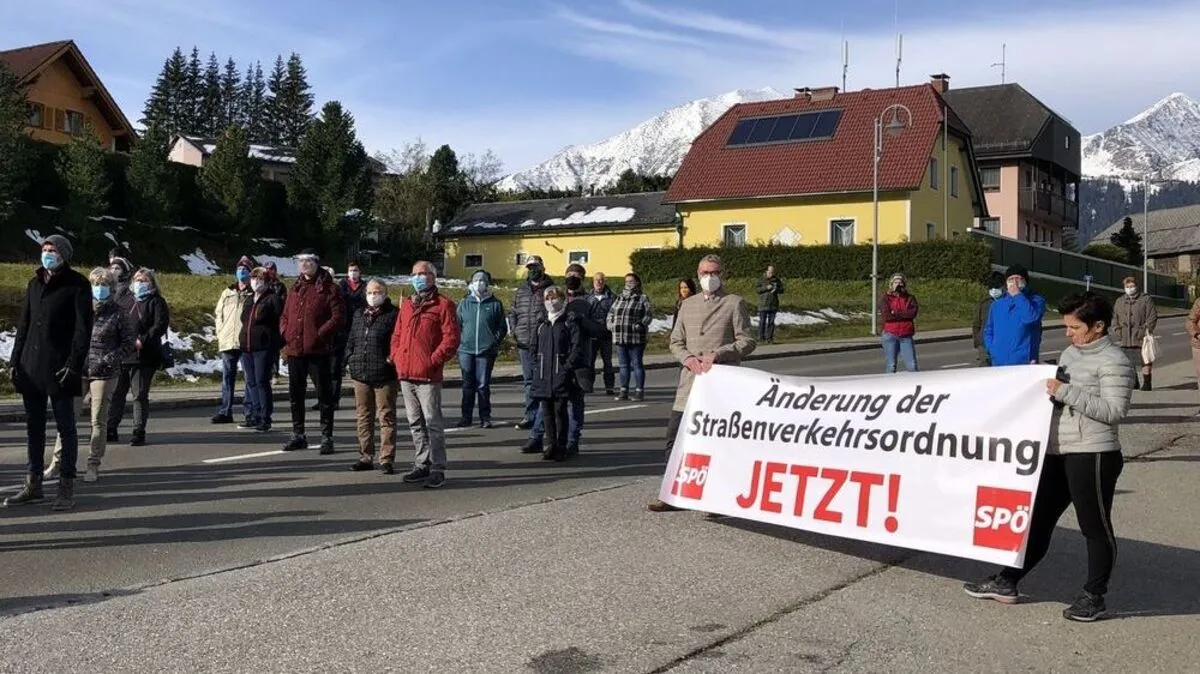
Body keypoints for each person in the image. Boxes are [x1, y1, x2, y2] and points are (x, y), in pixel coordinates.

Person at [964, 292, 1134, 623]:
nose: (1068, 333)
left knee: (1094, 528)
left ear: (1097, 327)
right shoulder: (1072, 352)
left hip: (1093, 453)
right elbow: (1063, 396)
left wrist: (1063, 391)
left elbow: (1115, 411)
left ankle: (1094, 596)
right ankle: (1008, 580)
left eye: (1074, 327)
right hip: (1058, 452)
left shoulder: (1114, 361)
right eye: (1066, 326)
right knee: (1036, 520)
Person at [649, 254, 756, 512]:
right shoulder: (688, 305)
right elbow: (675, 341)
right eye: (705, 273)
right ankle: (672, 491)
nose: (710, 277)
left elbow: (747, 341)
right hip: (689, 382)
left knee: (715, 441)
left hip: (719, 384)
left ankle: (715, 497)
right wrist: (687, 359)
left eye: (714, 272)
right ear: (698, 275)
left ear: (723, 275)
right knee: (675, 440)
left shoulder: (734, 303)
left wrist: (718, 355)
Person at [4, 235, 91, 510]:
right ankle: (33, 483)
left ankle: (66, 487)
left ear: (64, 254)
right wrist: (15, 361)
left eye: (52, 250)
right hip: (32, 365)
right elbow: (24, 325)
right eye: (44, 249)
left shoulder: (77, 284)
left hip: (61, 367)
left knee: (66, 428)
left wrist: (74, 364)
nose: (47, 253)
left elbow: (82, 330)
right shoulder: (34, 283)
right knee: (34, 428)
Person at [46, 267, 137, 484]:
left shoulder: (119, 313)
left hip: (104, 373)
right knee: (68, 418)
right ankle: (57, 463)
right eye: (96, 284)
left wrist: (110, 358)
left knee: (98, 420)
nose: (100, 289)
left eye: (104, 285)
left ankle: (93, 463)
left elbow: (128, 344)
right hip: (79, 369)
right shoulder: (81, 309)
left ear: (112, 288)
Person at [391, 261, 460, 489]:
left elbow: (451, 339)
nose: (418, 278)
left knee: (433, 424)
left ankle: (438, 468)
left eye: (423, 274)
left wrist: (433, 361)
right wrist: (397, 356)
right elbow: (397, 334)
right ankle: (422, 463)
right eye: (415, 274)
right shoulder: (408, 305)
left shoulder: (443, 305)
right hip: (406, 373)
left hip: (428, 375)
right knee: (414, 423)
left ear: (433, 277)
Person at [279, 249, 345, 454]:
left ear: (317, 263)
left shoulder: (329, 288)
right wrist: (286, 332)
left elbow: (339, 317)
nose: (304, 264)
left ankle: (327, 436)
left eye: (308, 261)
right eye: (300, 261)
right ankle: (298, 434)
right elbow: (285, 315)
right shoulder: (295, 288)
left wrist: (320, 334)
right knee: (295, 395)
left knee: (324, 396)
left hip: (318, 351)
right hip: (295, 350)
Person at [107, 268, 170, 447]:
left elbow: (160, 325)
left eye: (143, 280)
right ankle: (111, 427)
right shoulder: (125, 299)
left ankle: (138, 430)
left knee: (139, 395)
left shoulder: (156, 302)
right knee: (117, 393)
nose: (139, 283)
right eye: (137, 279)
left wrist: (143, 339)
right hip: (123, 354)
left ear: (151, 283)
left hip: (144, 356)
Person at [347, 279, 400, 473]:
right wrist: (350, 357)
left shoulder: (393, 314)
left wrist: (391, 358)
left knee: (386, 416)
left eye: (377, 292)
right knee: (363, 416)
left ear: (385, 293)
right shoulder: (359, 314)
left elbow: (398, 340)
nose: (373, 295)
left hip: (384, 374)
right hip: (360, 372)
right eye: (369, 292)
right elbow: (352, 338)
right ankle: (365, 456)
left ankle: (386, 458)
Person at [530, 285, 586, 461]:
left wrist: (566, 367)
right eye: (547, 298)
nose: (551, 302)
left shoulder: (569, 321)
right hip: (543, 374)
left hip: (560, 374)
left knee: (560, 411)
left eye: (554, 298)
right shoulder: (542, 322)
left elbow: (577, 347)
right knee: (546, 412)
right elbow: (533, 346)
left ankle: (562, 445)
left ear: (562, 299)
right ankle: (551, 444)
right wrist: (536, 365)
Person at [456, 269, 507, 429]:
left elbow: (502, 327)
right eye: (476, 280)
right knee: (467, 385)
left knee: (483, 385)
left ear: (487, 283)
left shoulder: (495, 304)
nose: (479, 283)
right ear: (471, 283)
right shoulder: (464, 303)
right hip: (466, 350)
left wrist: (494, 342)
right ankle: (466, 417)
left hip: (486, 351)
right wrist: (459, 343)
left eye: (483, 280)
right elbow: (456, 325)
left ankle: (485, 417)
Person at [509, 256, 553, 430]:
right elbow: (513, 312)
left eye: (535, 266)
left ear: (542, 267)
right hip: (524, 342)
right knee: (528, 382)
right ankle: (530, 415)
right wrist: (514, 330)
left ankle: (544, 416)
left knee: (542, 380)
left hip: (542, 342)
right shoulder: (521, 291)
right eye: (530, 267)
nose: (532, 270)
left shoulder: (551, 289)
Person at [239, 267, 284, 433]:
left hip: (264, 347)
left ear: (266, 282)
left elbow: (280, 321)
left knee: (261, 381)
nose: (255, 282)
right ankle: (255, 414)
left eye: (259, 279)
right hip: (247, 346)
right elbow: (244, 320)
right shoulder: (250, 299)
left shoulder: (272, 299)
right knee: (250, 382)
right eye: (253, 279)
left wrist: (277, 343)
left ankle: (265, 417)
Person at [212, 255, 255, 426]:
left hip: (245, 340)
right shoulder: (227, 292)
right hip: (228, 340)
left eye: (245, 269)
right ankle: (225, 410)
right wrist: (220, 332)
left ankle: (250, 412)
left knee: (248, 378)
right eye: (239, 269)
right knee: (227, 377)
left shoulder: (253, 292)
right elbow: (218, 314)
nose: (241, 272)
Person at [564, 275, 605, 455]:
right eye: (569, 277)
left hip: (581, 360)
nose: (572, 282)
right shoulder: (556, 299)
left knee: (576, 402)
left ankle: (573, 439)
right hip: (559, 359)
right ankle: (545, 436)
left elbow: (600, 329)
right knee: (552, 402)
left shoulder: (590, 303)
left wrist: (582, 320)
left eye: (576, 277)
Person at [984, 264, 1047, 366]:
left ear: (1025, 281)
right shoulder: (997, 304)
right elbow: (989, 330)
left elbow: (1030, 318)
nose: (1014, 282)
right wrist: (992, 349)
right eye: (1011, 279)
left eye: (1018, 278)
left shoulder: (1036, 301)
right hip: (999, 361)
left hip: (1024, 361)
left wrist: (1018, 296)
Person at [104, 250, 135, 442]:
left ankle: (111, 426)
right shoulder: (104, 288)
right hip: (104, 346)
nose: (114, 271)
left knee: (118, 391)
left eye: (118, 268)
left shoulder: (129, 292)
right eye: (112, 267)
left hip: (121, 347)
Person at [607, 272, 652, 402]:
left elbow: (648, 315)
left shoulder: (642, 298)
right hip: (620, 336)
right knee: (623, 365)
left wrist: (640, 325)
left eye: (631, 281)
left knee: (637, 364)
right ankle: (623, 390)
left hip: (636, 337)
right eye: (627, 281)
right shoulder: (619, 298)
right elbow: (611, 313)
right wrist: (611, 325)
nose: (629, 284)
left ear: (637, 283)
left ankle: (639, 391)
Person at [331, 261, 368, 410]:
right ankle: (333, 399)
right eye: (351, 270)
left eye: (356, 270)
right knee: (336, 365)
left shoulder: (365, 286)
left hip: (358, 326)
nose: (353, 273)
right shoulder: (342, 285)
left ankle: (363, 400)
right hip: (343, 328)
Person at [1112, 276, 1158, 391]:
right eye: (1127, 287)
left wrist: (1145, 330)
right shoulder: (1120, 301)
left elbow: (1152, 317)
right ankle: (1134, 382)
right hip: (1125, 336)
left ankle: (1147, 383)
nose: (1130, 288)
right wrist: (1117, 330)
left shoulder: (1146, 299)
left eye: (1132, 286)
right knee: (1128, 361)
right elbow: (1114, 318)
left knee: (1145, 359)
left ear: (1137, 286)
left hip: (1141, 336)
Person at [880, 273, 919, 373]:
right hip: (890, 334)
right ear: (891, 284)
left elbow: (912, 313)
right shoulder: (886, 298)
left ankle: (914, 385)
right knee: (891, 365)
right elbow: (887, 316)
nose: (898, 285)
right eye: (895, 282)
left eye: (900, 282)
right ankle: (890, 386)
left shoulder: (910, 298)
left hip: (906, 334)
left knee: (912, 365)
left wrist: (896, 313)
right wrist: (903, 314)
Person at [587, 272, 617, 395]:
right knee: (590, 361)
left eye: (601, 280)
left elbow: (615, 314)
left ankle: (609, 386)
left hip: (606, 335)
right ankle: (588, 385)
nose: (599, 282)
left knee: (607, 362)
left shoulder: (612, 297)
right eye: (596, 280)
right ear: (593, 282)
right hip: (592, 334)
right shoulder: (588, 297)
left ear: (605, 282)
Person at [972, 272, 1005, 367]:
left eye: (997, 287)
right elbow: (976, 324)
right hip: (984, 343)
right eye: (991, 287)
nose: (994, 290)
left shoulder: (1007, 303)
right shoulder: (983, 304)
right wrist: (977, 343)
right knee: (985, 366)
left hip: (1001, 342)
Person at [755, 265, 784, 344]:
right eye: (770, 271)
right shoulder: (761, 279)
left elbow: (782, 290)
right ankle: (761, 338)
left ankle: (769, 339)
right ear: (766, 271)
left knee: (771, 322)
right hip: (763, 303)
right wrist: (766, 288)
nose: (771, 273)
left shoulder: (776, 280)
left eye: (773, 272)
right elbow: (757, 290)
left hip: (773, 304)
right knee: (762, 321)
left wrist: (776, 289)